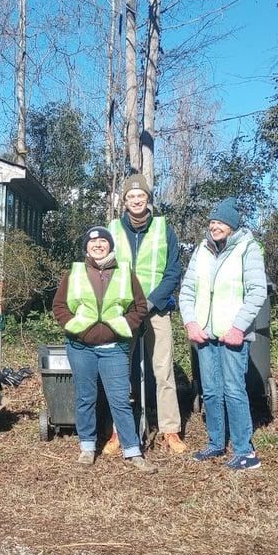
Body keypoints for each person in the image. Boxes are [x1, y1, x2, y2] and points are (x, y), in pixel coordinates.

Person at [52, 226, 154, 473]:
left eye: (103, 242)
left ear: (110, 246)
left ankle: (132, 451)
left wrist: (121, 327)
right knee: (86, 397)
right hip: (80, 347)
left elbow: (139, 307)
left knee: (120, 400)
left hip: (114, 347)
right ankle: (87, 447)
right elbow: (59, 306)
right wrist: (75, 329)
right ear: (86, 247)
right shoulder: (73, 272)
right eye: (92, 242)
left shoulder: (124, 272)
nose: (97, 245)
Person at [178, 197, 267, 471]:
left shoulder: (247, 248)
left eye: (221, 223)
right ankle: (216, 443)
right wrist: (191, 323)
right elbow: (187, 291)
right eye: (212, 222)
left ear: (232, 226)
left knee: (233, 390)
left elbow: (257, 292)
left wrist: (238, 327)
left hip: (232, 334)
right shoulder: (201, 250)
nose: (215, 227)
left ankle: (245, 452)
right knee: (211, 391)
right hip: (204, 333)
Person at [106, 174, 188, 454]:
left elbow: (173, 271)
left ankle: (170, 430)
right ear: (124, 201)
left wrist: (151, 303)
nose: (136, 200)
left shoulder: (165, 229)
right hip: (124, 311)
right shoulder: (113, 229)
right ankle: (119, 431)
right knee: (119, 372)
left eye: (141, 196)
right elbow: (104, 269)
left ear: (148, 199)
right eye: (131, 196)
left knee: (163, 371)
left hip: (157, 309)